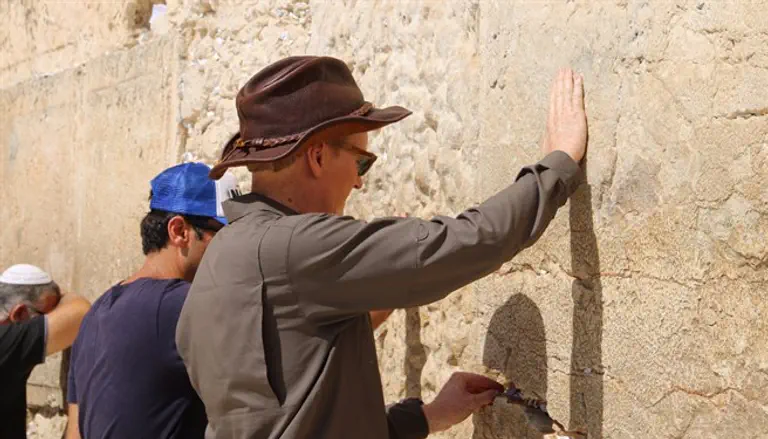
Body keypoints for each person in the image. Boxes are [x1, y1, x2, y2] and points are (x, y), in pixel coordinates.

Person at [176, 56, 588, 439]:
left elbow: (294, 415)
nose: (358, 183)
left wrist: (426, 416)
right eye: (360, 163)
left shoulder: (221, 258)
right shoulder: (295, 248)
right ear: (317, 157)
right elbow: (461, 244)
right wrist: (557, 165)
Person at [65, 162, 238, 439]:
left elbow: (75, 431)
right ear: (180, 231)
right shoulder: (184, 306)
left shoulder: (97, 312)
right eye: (225, 234)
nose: (234, 248)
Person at [0, 264, 90, 439]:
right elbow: (80, 313)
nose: (54, 319)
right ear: (19, 314)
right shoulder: (6, 342)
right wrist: (61, 295)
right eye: (47, 315)